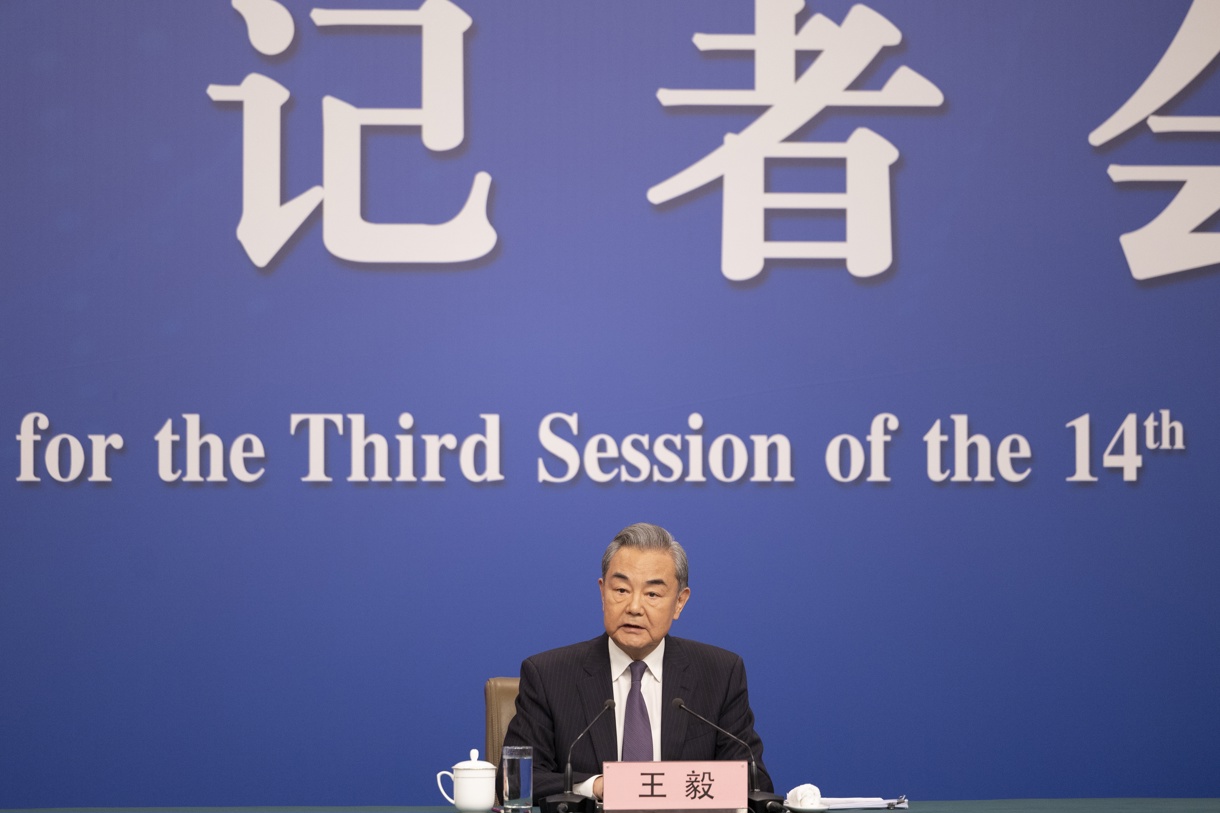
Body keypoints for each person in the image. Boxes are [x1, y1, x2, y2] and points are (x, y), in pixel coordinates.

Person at [501, 522, 773, 800]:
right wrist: (596, 787)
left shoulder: (720, 674)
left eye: (652, 594)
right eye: (621, 590)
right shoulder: (548, 675)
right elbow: (517, 782)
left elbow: (753, 784)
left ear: (680, 602)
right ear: (602, 592)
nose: (633, 607)